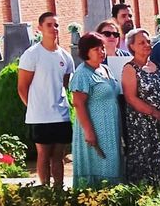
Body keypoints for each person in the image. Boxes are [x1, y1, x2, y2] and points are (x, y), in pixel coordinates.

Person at [17, 12, 75, 187]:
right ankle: (44, 190)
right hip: (40, 116)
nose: (53, 28)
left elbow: (65, 85)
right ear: (40, 28)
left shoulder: (65, 56)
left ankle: (58, 190)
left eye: (56, 25)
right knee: (43, 155)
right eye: (49, 25)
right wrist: (34, 108)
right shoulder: (32, 55)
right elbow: (22, 87)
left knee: (59, 155)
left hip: (61, 115)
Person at [121, 28, 160, 185]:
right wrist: (154, 112)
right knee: (146, 162)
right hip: (143, 126)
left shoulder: (155, 65)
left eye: (148, 41)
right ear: (132, 47)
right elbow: (130, 97)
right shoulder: (130, 69)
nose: (146, 45)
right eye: (141, 42)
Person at [70, 32, 123, 187]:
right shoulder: (82, 74)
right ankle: (94, 201)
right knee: (100, 164)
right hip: (95, 128)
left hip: (110, 127)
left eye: (102, 48)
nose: (101, 52)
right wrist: (89, 132)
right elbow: (78, 104)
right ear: (86, 51)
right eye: (96, 49)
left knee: (113, 163)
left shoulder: (106, 69)